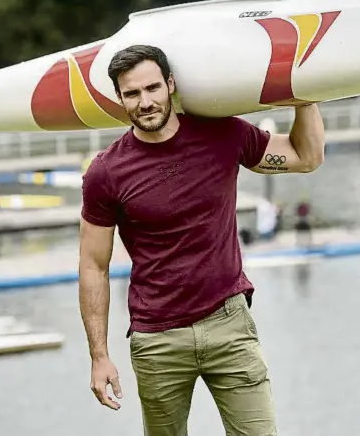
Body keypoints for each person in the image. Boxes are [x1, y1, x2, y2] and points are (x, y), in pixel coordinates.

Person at [78, 45, 325, 435]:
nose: (145, 102)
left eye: (153, 88)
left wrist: (305, 97)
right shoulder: (106, 173)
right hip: (157, 339)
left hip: (229, 325)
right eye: (132, 94)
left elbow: (304, 156)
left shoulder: (222, 133)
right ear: (120, 99)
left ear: (171, 85)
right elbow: (94, 266)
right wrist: (99, 356)